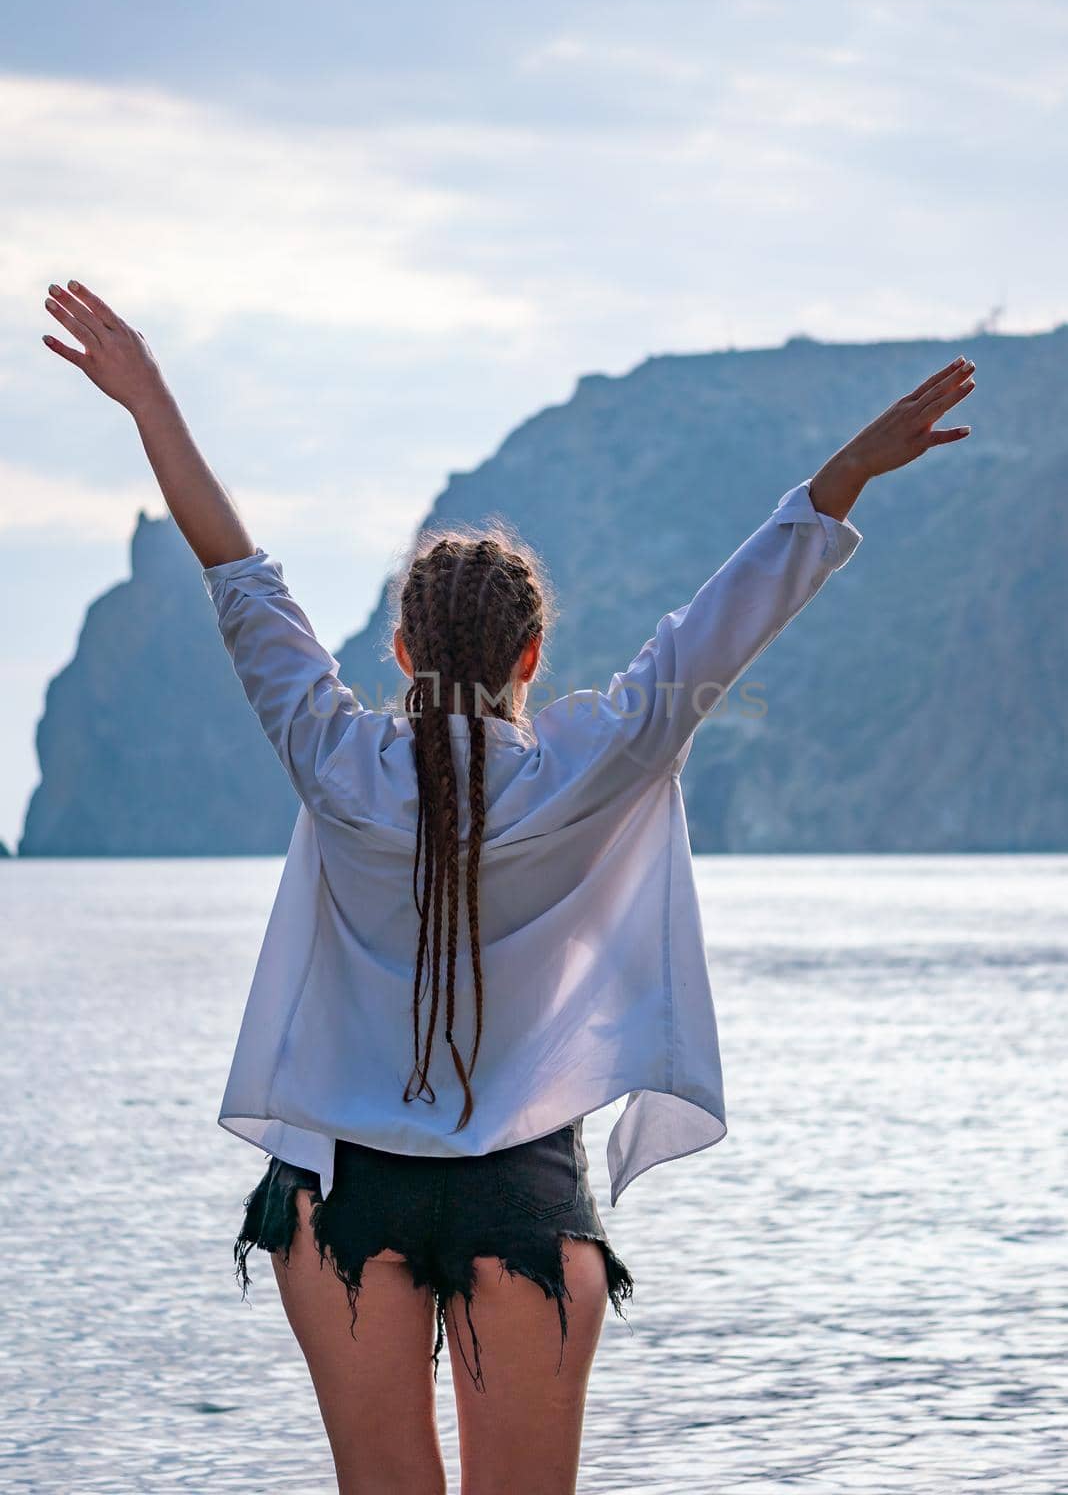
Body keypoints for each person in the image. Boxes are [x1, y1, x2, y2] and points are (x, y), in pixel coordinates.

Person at [42, 278, 976, 1495]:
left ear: (399, 651)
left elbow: (238, 576)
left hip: (339, 1197)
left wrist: (148, 396)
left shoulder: (334, 758)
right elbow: (722, 628)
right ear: (533, 656)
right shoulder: (598, 758)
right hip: (525, 1199)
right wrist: (846, 473)